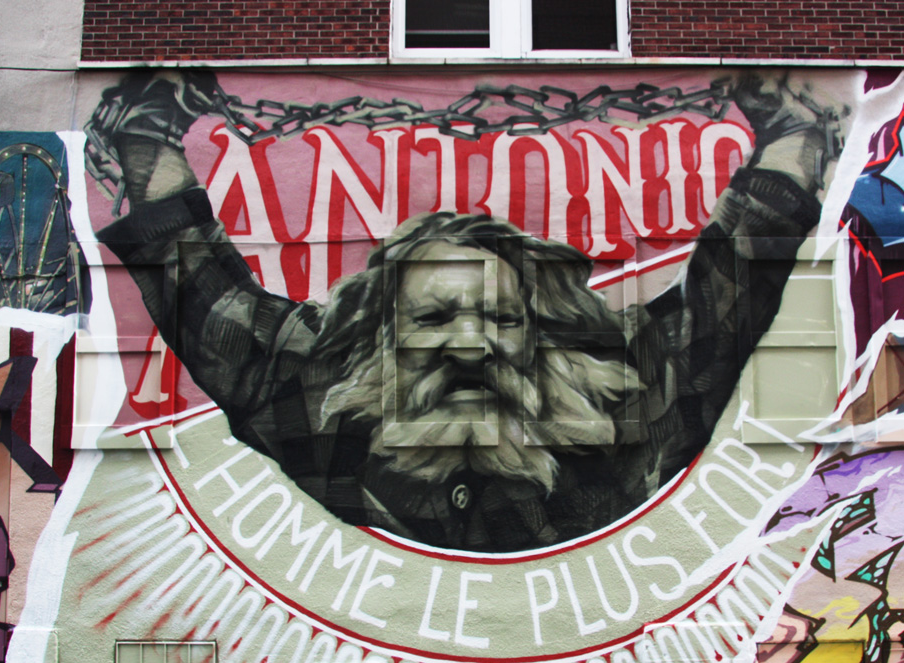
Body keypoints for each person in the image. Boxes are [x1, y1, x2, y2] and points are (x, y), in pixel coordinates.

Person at [91, 72, 837, 552]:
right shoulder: (311, 391)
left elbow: (732, 284)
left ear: (540, 337)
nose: (472, 344)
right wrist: (142, 134)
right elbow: (195, 280)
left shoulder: (627, 400)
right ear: (380, 337)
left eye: (504, 320)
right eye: (434, 319)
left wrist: (797, 136)